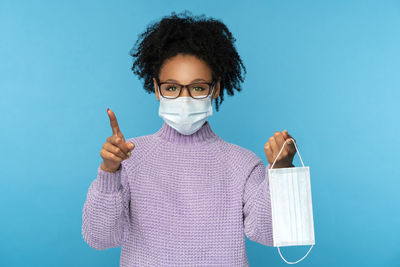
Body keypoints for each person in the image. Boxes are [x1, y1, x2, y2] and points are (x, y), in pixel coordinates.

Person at [81, 10, 297, 267]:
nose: (184, 98)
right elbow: (100, 238)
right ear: (157, 89)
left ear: (215, 88)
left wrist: (281, 172)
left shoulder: (243, 164)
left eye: (197, 87)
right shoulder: (129, 157)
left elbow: (271, 233)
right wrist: (109, 172)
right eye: (171, 87)